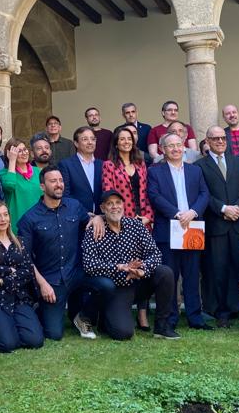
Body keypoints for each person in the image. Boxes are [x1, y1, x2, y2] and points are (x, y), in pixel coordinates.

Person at [17, 167, 104, 341]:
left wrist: (97, 217)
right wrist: (42, 285)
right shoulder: (29, 219)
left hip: (76, 272)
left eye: (61, 181)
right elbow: (25, 258)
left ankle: (83, 316)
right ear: (42, 186)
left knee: (107, 286)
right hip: (51, 280)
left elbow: (89, 220)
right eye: (53, 181)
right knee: (54, 334)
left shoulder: (74, 206)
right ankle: (39, 308)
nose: (59, 185)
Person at [80, 190, 178, 340]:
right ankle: (104, 318)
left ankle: (162, 327)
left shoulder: (135, 226)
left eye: (118, 203)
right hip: (114, 288)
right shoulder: (94, 229)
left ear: (123, 206)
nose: (115, 207)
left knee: (165, 272)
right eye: (110, 204)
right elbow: (89, 264)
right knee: (123, 333)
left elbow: (156, 254)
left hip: (137, 282)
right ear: (102, 208)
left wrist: (142, 270)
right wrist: (119, 267)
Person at [146, 132, 211, 330]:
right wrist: (176, 213)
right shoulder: (155, 172)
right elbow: (154, 196)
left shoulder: (195, 171)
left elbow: (204, 193)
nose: (175, 149)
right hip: (169, 228)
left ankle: (195, 318)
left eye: (178, 145)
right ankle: (170, 318)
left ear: (184, 147)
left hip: (192, 226)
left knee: (192, 275)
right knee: (170, 277)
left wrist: (193, 212)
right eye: (170, 146)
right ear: (163, 150)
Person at [198, 126, 239, 328]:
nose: (220, 141)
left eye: (223, 138)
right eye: (215, 138)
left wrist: (237, 207)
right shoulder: (200, 166)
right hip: (217, 226)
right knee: (218, 271)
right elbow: (203, 194)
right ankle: (221, 312)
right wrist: (223, 209)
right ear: (208, 141)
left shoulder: (238, 162)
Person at [102, 124, 154, 331]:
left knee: (144, 266)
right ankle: (121, 308)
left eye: (129, 138)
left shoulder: (141, 163)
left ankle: (142, 311)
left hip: (144, 221)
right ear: (116, 142)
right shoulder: (109, 165)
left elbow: (147, 193)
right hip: (122, 222)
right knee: (127, 265)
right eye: (121, 138)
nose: (126, 141)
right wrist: (128, 220)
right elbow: (109, 194)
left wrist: (148, 217)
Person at [0, 200, 44, 353]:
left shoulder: (20, 242)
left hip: (19, 297)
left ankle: (7, 327)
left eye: (5, 215)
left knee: (35, 341)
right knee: (7, 345)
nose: (3, 219)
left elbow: (27, 271)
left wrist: (2, 279)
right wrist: (10, 270)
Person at [59, 126, 103, 214]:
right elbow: (65, 195)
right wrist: (83, 213)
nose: (90, 142)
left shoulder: (102, 164)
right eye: (85, 139)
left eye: (93, 139)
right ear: (76, 143)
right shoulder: (66, 165)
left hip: (101, 218)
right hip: (77, 218)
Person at [0, 137, 42, 226]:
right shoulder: (4, 173)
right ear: (10, 154)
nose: (24, 153)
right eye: (19, 151)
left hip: (39, 221)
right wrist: (12, 161)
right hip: (18, 222)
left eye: (25, 149)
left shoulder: (38, 171)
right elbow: (9, 186)